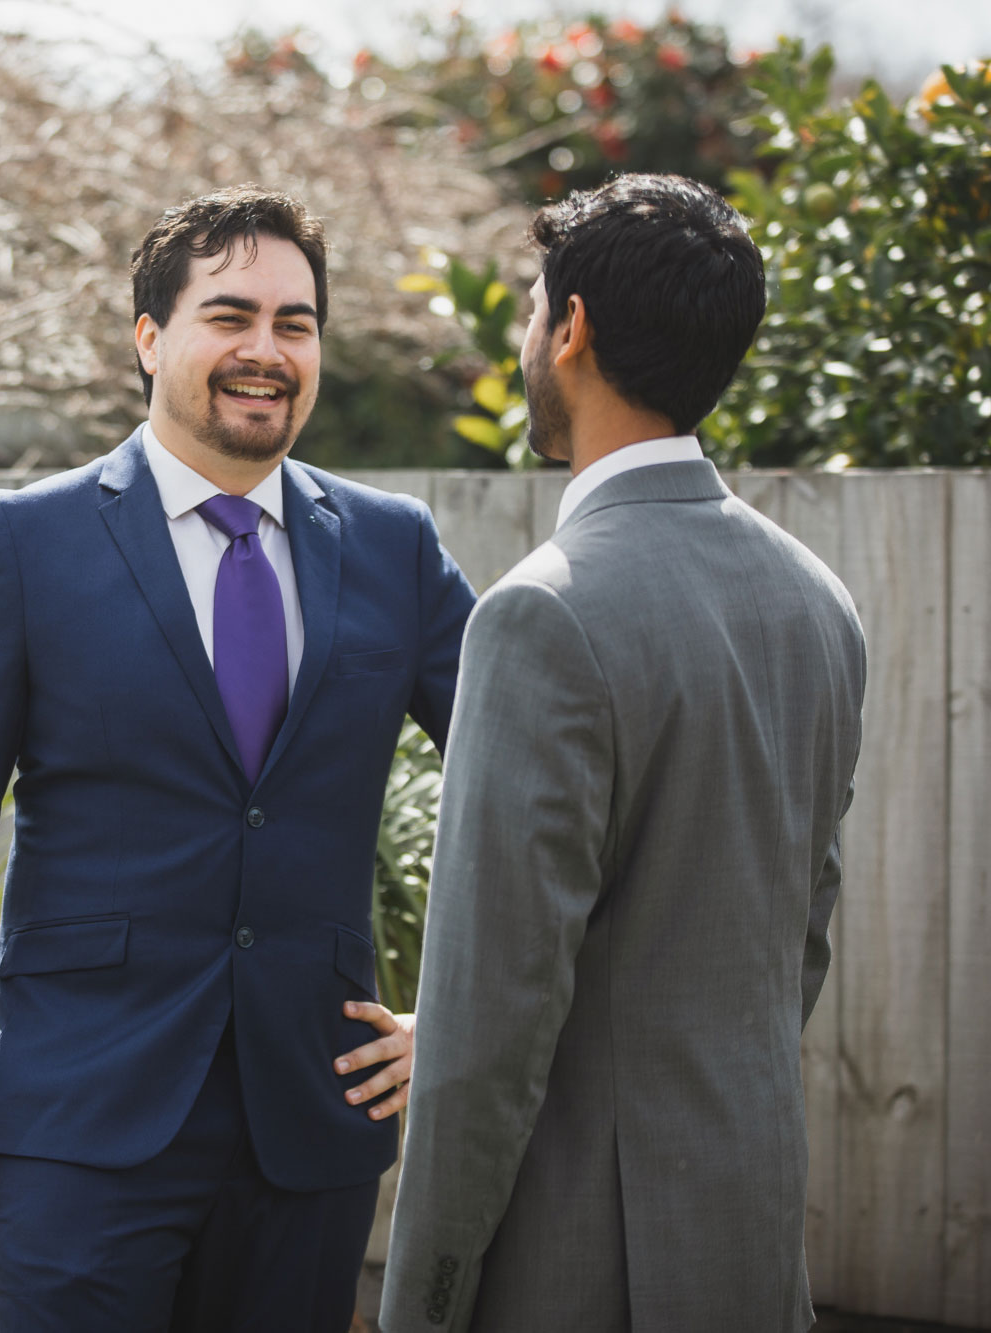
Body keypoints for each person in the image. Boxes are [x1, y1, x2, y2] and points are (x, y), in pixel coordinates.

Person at [0, 185, 479, 1332]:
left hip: (311, 1124)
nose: (264, 350)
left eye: (294, 324)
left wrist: (460, 1013)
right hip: (79, 1121)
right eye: (229, 315)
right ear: (149, 338)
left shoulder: (394, 549)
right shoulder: (27, 541)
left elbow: (529, 783)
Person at [381, 175, 866, 1332]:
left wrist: (418, 1306)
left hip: (578, 1266)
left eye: (531, 305)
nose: (523, 333)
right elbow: (800, 935)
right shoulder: (819, 602)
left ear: (573, 327)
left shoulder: (539, 615)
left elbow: (485, 1032)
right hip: (747, 1230)